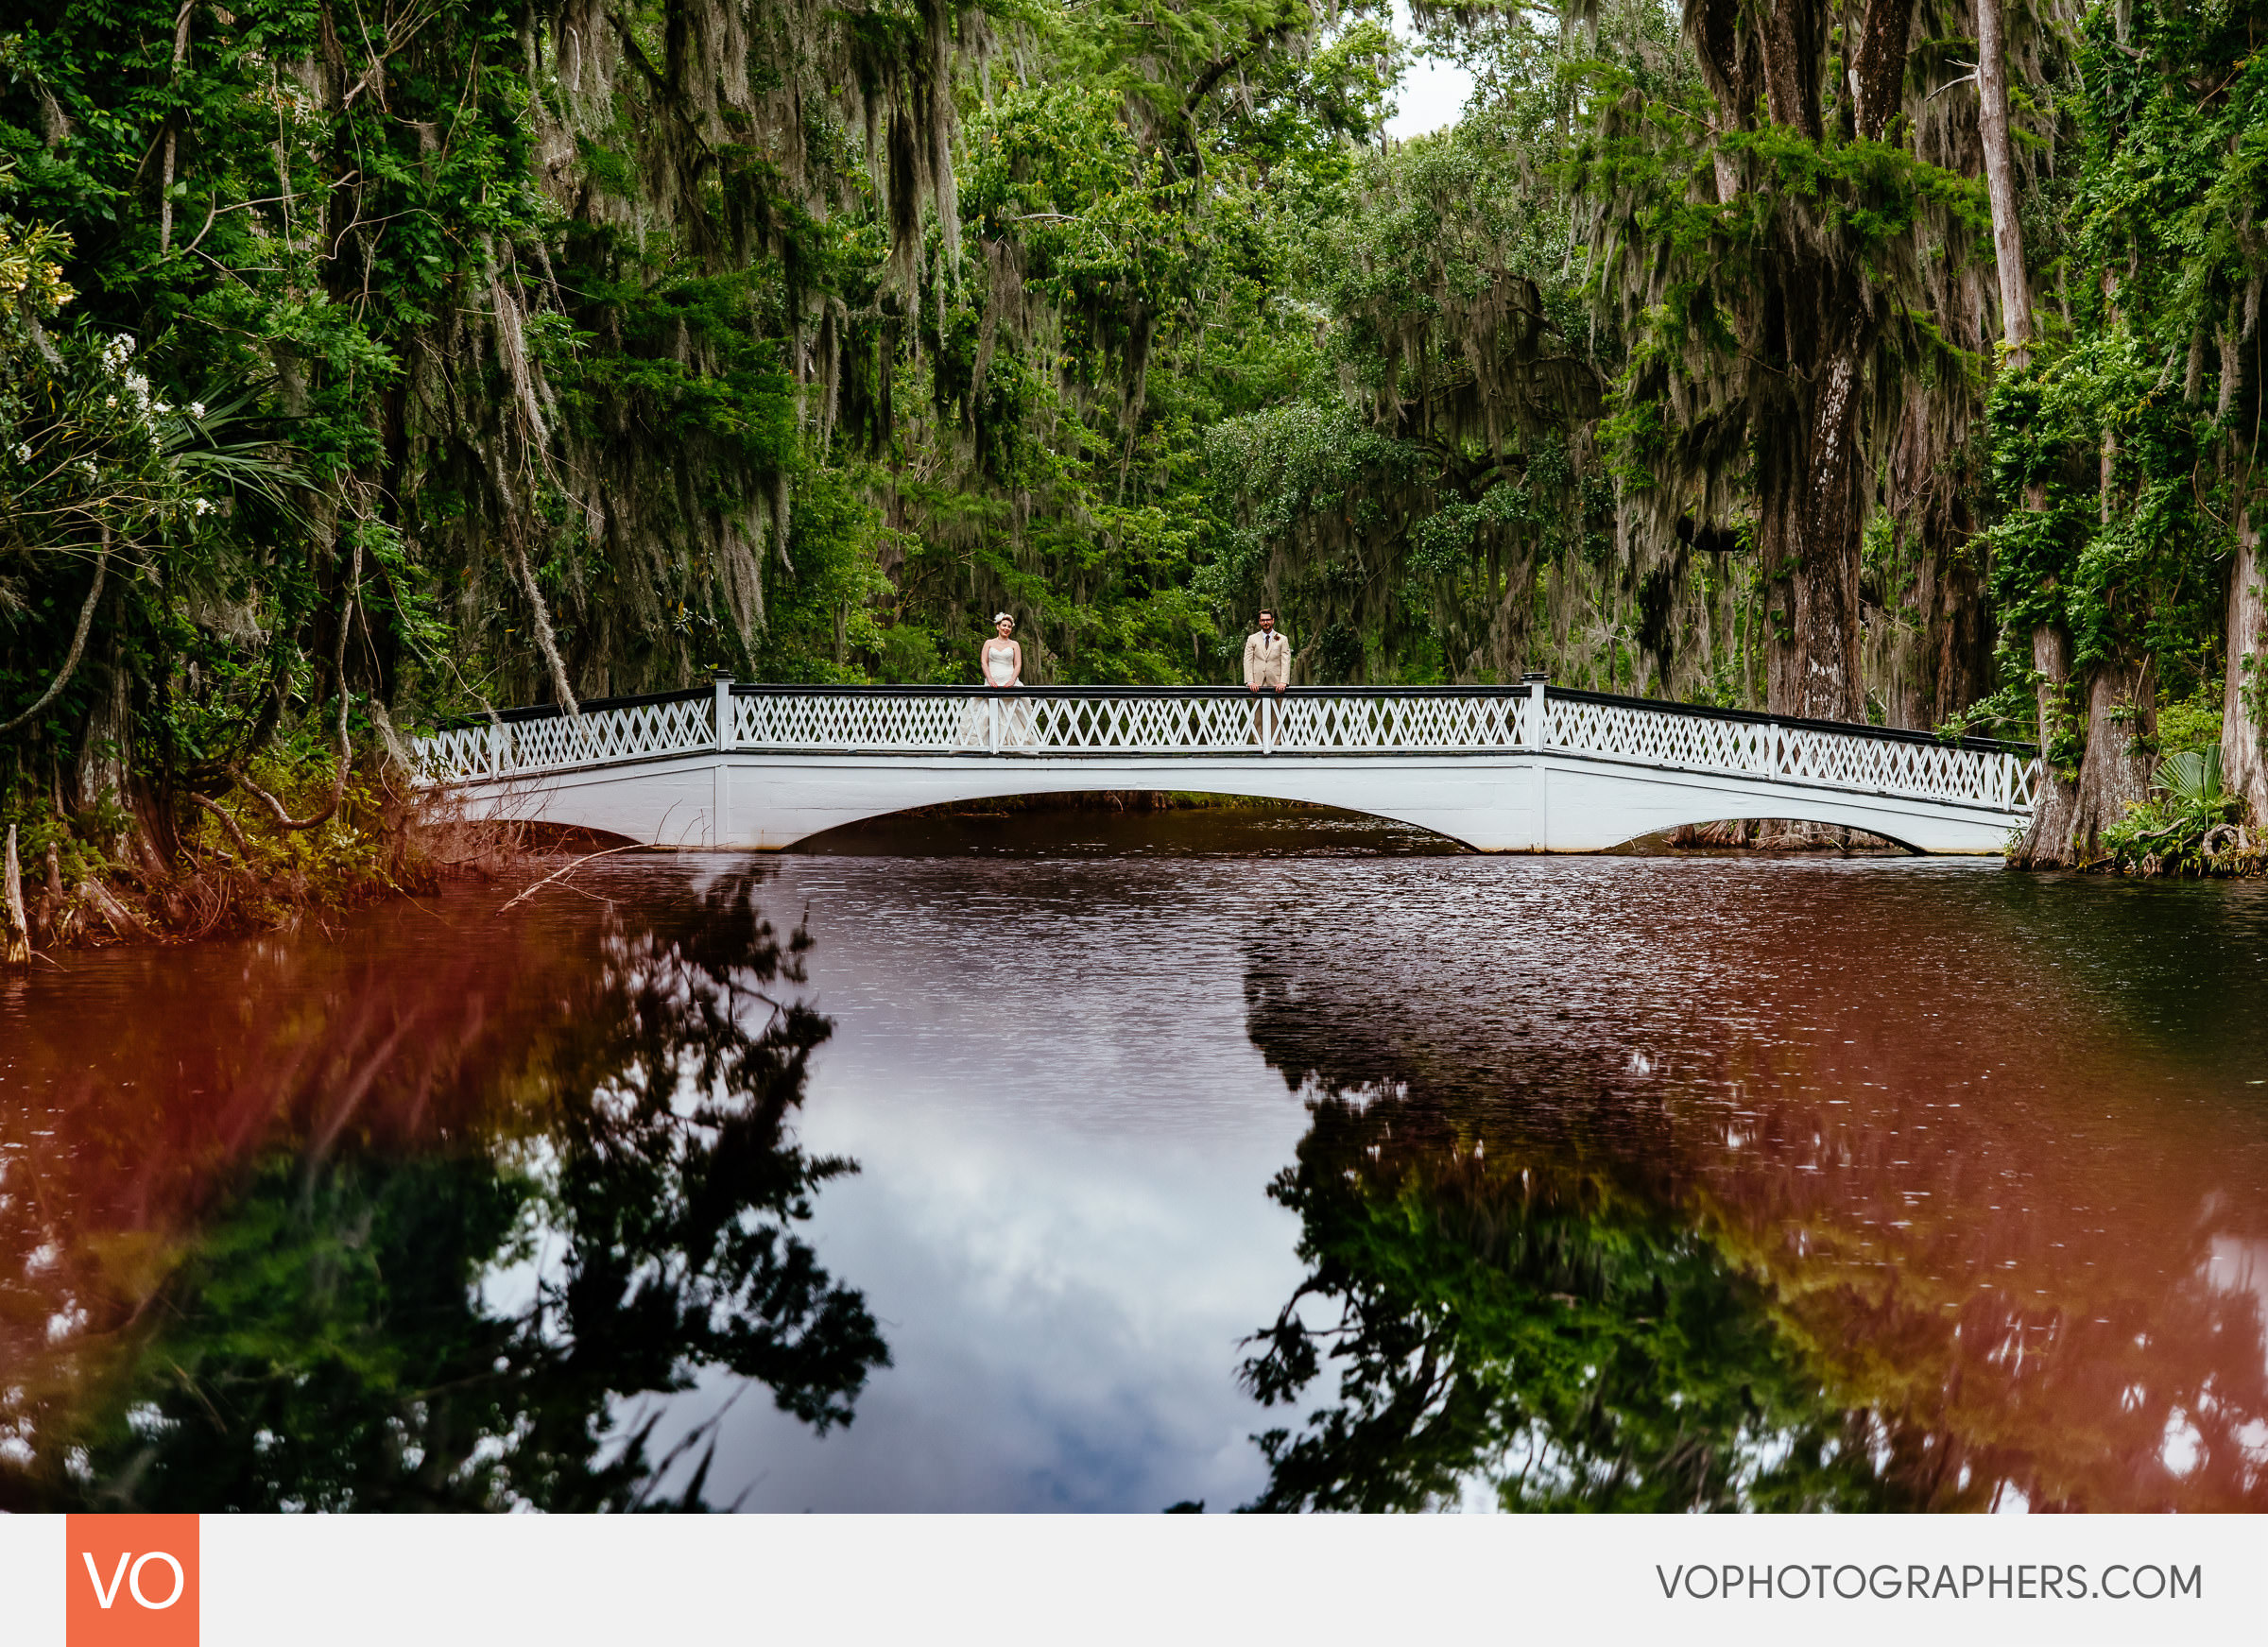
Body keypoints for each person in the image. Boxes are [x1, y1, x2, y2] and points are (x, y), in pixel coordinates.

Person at [1243, 609, 1291, 694]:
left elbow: (1286, 661)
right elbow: (1248, 660)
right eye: (1263, 620)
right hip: (1256, 685)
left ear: (1273, 620)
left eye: (1268, 620)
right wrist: (1250, 682)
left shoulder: (1282, 639)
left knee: (1277, 707)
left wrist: (1283, 682)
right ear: (1259, 622)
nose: (1266, 622)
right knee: (1257, 707)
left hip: (1277, 684)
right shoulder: (1252, 639)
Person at [981, 612, 1023, 689]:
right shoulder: (988, 643)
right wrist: (989, 678)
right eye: (1004, 625)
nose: (1006, 628)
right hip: (992, 680)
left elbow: (1018, 664)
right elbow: (984, 662)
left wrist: (1012, 680)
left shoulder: (1015, 644)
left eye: (1009, 627)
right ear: (998, 627)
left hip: (1009, 681)